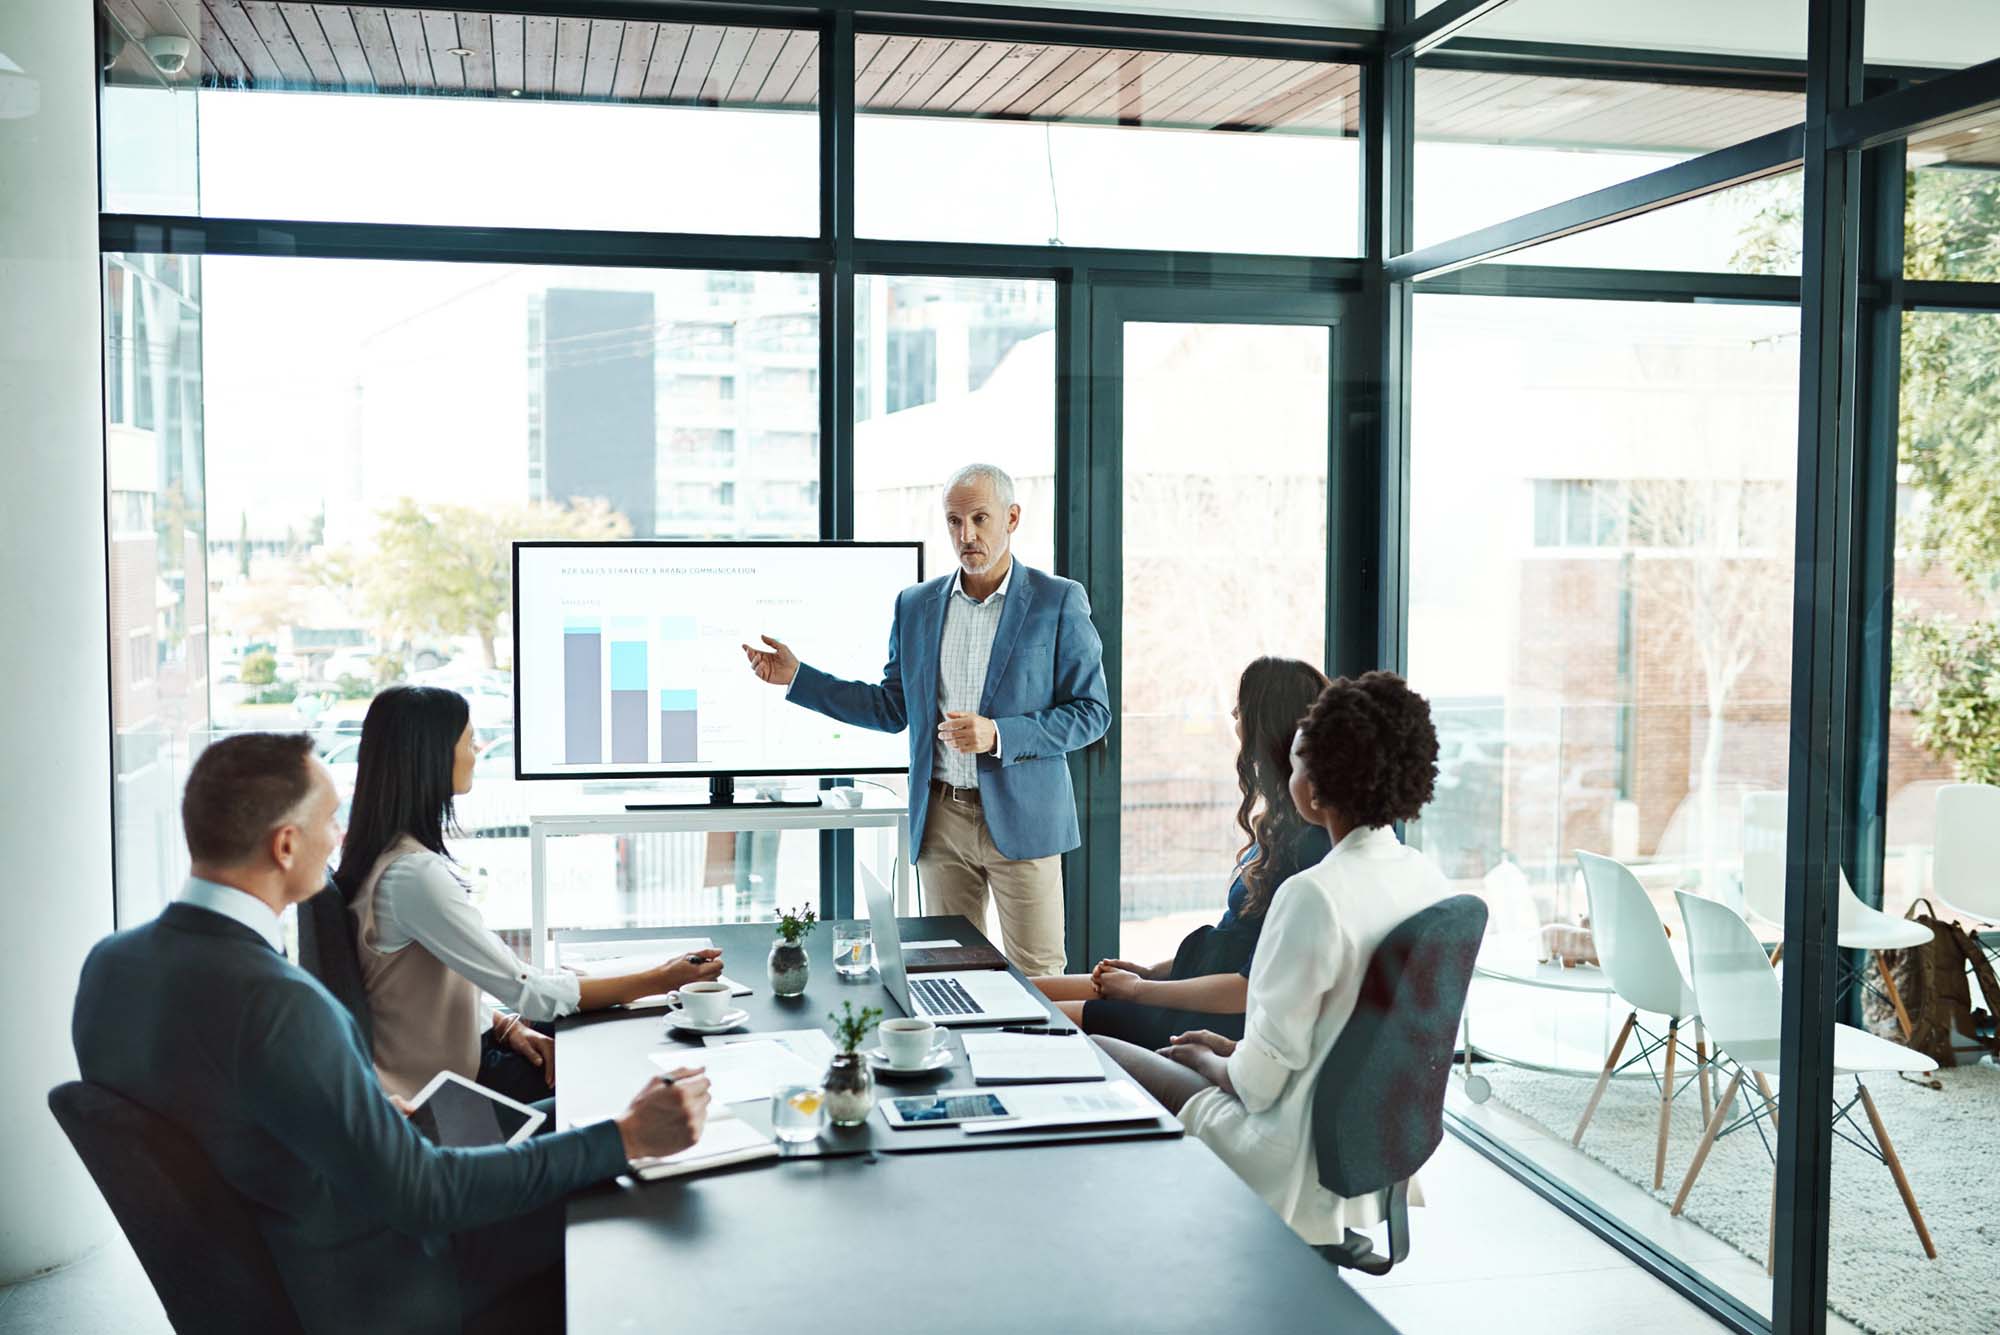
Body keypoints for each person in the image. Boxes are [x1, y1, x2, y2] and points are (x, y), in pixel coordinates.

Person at [71, 733, 712, 1333]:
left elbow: (222, 1106)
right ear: (285, 845)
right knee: (621, 1191)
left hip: (290, 1248)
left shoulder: (111, 966)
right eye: (328, 820)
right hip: (380, 1283)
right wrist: (626, 1137)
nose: (340, 835)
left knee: (570, 1121)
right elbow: (425, 1194)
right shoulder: (279, 1003)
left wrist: (356, 1113)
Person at [1095, 671, 1448, 1244]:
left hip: (1285, 1149)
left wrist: (1213, 1062)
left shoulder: (1313, 893)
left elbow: (1256, 1089)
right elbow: (1338, 1035)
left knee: (1098, 1051)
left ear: (1316, 785)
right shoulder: (1424, 879)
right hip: (1368, 1148)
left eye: (1300, 757)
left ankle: (1127, 1237)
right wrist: (1231, 1048)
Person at [742, 463, 1109, 976]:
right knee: (951, 973)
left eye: (980, 519)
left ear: (1013, 518)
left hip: (1027, 822)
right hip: (941, 821)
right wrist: (799, 678)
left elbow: (1092, 713)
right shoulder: (915, 605)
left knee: (1040, 975)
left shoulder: (1057, 600)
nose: (968, 535)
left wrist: (999, 734)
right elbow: (892, 707)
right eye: (955, 521)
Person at [335, 685, 725, 1103]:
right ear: (433, 755)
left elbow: (439, 989)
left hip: (465, 1054)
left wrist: (504, 1026)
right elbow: (532, 994)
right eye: (468, 740)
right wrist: (662, 979)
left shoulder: (386, 856)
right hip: (448, 1091)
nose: (477, 750)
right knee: (629, 1072)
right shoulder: (412, 875)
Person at [1034, 657, 1332, 1047]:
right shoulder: (1281, 823)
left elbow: (1248, 987)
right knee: (1026, 989)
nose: (1232, 716)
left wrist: (1140, 990)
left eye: (1240, 709)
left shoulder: (1308, 847)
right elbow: (1230, 941)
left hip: (1218, 1016)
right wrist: (1152, 972)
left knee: (1043, 1016)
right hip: (1192, 991)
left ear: (1266, 724)